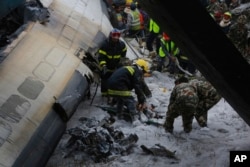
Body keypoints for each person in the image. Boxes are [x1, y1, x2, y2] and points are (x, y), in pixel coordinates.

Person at [107, 59, 150, 123]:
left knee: (121, 99)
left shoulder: (129, 69)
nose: (143, 74)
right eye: (143, 72)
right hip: (119, 85)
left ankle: (119, 116)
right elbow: (138, 87)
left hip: (110, 87)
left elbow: (142, 84)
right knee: (130, 100)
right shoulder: (137, 71)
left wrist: (148, 95)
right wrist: (141, 101)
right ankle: (135, 119)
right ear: (141, 68)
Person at [98, 28, 127, 103]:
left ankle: (113, 95)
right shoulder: (105, 45)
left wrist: (121, 63)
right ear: (111, 35)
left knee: (115, 80)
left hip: (116, 66)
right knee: (105, 79)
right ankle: (104, 94)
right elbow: (101, 57)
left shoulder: (122, 45)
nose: (116, 37)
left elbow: (123, 55)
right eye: (114, 35)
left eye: (118, 35)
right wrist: (103, 65)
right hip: (107, 66)